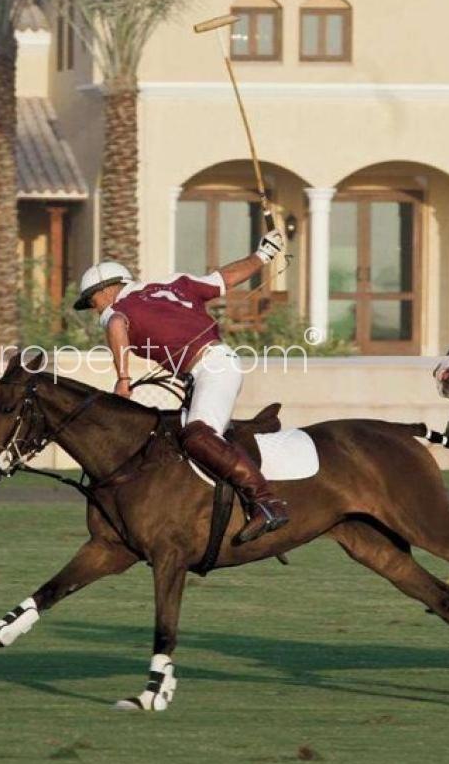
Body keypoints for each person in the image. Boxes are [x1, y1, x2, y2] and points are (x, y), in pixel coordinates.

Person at [73, 227, 289, 543]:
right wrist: (264, 254)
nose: (96, 309)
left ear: (108, 289)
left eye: (93, 300)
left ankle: (267, 503)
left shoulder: (118, 309)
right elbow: (225, 278)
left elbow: (117, 324)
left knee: (199, 436)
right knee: (177, 441)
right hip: (213, 365)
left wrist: (123, 380)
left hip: (212, 367)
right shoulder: (176, 283)